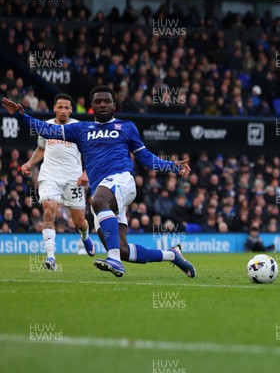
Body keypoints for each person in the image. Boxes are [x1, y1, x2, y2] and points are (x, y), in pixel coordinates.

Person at [2, 86, 195, 278]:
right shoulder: (81, 129)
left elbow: (145, 157)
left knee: (98, 202)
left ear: (114, 105)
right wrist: (21, 115)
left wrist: (172, 166)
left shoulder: (127, 126)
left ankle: (113, 260)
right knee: (122, 249)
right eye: (98, 101)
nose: (103, 104)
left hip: (122, 180)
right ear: (92, 106)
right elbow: (47, 129)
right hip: (102, 190)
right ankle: (172, 254)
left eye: (107, 101)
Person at [20, 94, 95, 270]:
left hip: (73, 179)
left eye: (66, 108)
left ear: (71, 110)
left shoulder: (79, 127)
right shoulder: (46, 126)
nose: (63, 111)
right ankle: (51, 258)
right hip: (50, 176)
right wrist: (29, 163)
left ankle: (84, 236)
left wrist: (86, 173)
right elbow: (41, 149)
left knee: (79, 222)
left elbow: (91, 154)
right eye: (60, 107)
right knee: (48, 209)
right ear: (54, 108)